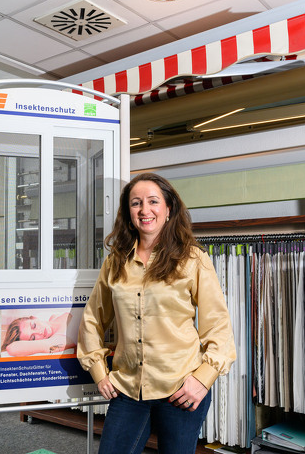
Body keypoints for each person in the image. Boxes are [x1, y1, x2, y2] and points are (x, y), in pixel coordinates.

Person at [77, 172, 237, 454]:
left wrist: (203, 379)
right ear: (129, 213)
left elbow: (218, 325)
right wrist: (99, 372)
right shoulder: (115, 262)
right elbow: (92, 319)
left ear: (168, 209)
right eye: (136, 203)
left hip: (181, 387)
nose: (144, 210)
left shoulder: (193, 258)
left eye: (153, 201)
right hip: (128, 388)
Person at [1, 313, 75, 356]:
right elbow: (11, 348)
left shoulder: (54, 316)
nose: (39, 332)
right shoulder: (57, 341)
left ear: (34, 318)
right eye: (33, 338)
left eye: (34, 326)